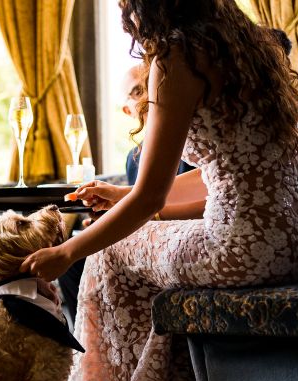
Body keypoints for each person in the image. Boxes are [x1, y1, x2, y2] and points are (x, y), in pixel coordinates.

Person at [21, 0, 298, 381]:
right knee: (140, 241)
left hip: (247, 247)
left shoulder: (176, 56)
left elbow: (150, 200)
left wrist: (68, 250)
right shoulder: (246, 43)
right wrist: (126, 194)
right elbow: (225, 170)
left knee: (107, 257)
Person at [58, 64, 198, 326]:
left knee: (81, 256)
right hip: (150, 231)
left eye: (149, 86)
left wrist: (132, 216)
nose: (146, 95)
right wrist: (112, 215)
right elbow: (143, 201)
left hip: (181, 233)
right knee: (74, 264)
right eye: (136, 91)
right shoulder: (133, 159)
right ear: (126, 110)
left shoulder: (192, 140)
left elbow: (154, 203)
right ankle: (89, 344)